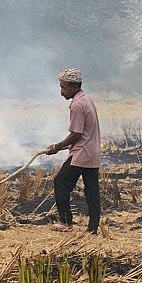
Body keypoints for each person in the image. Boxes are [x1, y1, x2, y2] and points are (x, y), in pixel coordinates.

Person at [44, 68, 101, 234]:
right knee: (91, 190)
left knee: (60, 182)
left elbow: (76, 134)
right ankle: (93, 229)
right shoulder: (87, 100)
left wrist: (56, 147)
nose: (61, 92)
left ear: (74, 87)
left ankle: (66, 223)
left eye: (64, 87)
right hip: (93, 152)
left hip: (82, 153)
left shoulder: (77, 105)